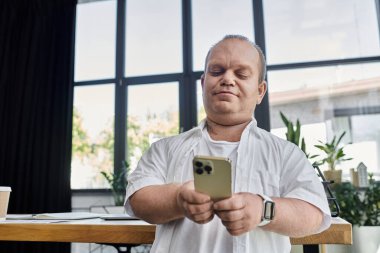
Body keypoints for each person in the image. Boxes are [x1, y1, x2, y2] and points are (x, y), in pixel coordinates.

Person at [125, 34, 331, 253]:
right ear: (203, 83)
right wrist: (178, 199)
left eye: (241, 74)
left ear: (260, 91)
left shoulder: (286, 154)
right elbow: (138, 198)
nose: (228, 79)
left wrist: (263, 209)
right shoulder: (164, 149)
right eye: (216, 71)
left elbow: (314, 213)